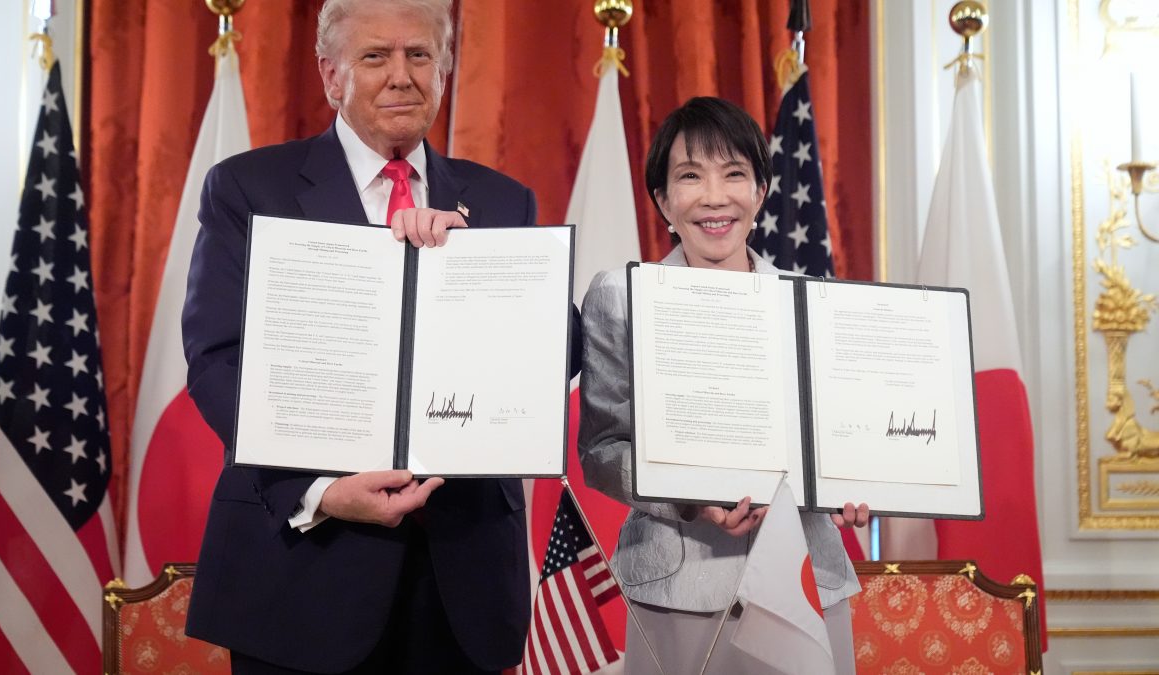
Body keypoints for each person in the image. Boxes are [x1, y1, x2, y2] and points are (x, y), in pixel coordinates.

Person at [182, 1, 568, 672]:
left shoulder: (502, 202)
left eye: (420, 55)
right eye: (375, 57)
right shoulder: (250, 189)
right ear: (331, 75)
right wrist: (321, 490)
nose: (401, 76)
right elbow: (218, 359)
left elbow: (553, 352)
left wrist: (479, 273)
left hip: (462, 583)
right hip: (303, 572)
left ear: (443, 71)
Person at [579, 96, 869, 675]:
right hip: (676, 585)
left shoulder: (812, 300)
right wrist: (687, 497)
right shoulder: (619, 295)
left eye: (734, 173)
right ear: (662, 199)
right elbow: (602, 452)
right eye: (690, 176)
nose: (714, 196)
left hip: (805, 578)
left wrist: (858, 485)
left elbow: (840, 439)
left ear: (761, 192)